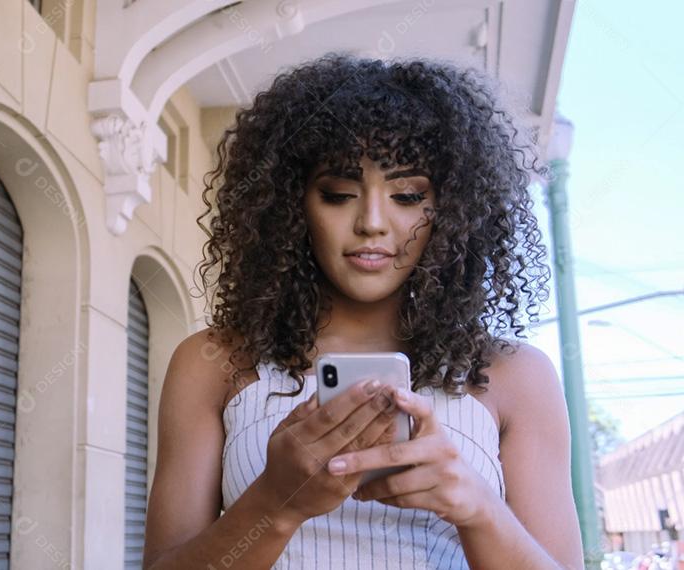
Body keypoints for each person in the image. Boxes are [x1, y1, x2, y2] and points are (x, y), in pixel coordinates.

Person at [142, 54, 585, 569]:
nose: (372, 222)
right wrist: (274, 504)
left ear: (451, 209)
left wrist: (477, 507)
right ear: (290, 205)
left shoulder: (516, 377)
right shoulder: (213, 363)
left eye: (407, 195)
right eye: (338, 194)